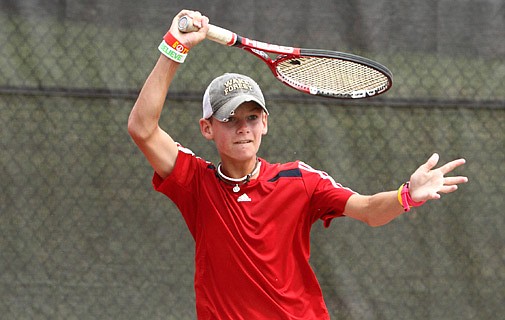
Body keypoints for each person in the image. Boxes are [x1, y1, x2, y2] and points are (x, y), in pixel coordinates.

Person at [128, 9, 468, 320]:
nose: (243, 127)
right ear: (207, 128)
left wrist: (406, 195)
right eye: (229, 118)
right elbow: (142, 128)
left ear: (265, 123)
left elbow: (367, 209)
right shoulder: (196, 183)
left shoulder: (300, 180)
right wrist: (175, 47)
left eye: (252, 116)